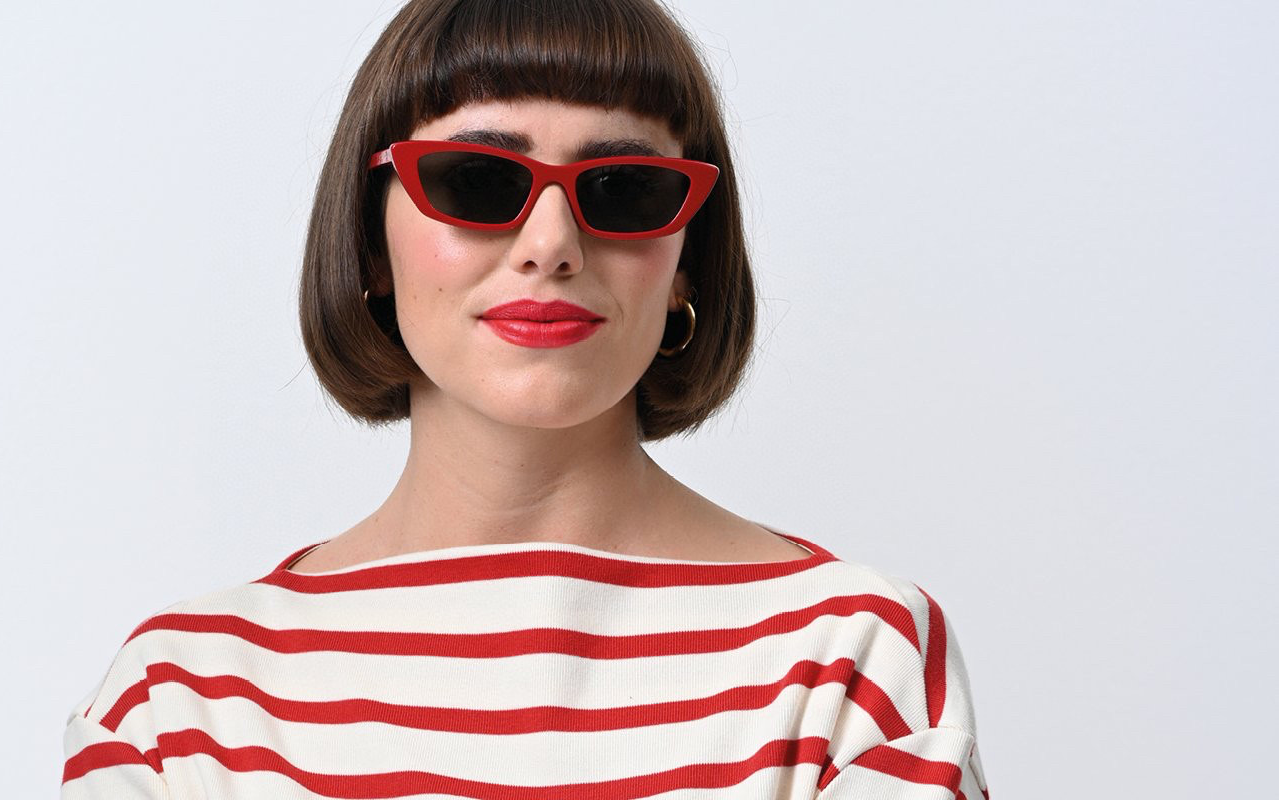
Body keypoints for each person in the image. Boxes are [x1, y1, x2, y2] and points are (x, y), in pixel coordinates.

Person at [62, 1, 991, 797]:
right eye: (477, 181)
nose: (552, 245)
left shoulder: (851, 660)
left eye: (624, 190)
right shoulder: (180, 705)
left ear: (687, 262)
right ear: (371, 242)